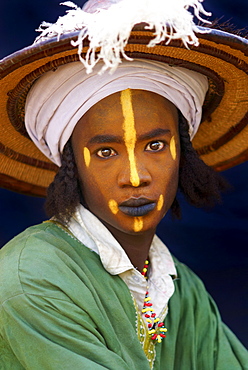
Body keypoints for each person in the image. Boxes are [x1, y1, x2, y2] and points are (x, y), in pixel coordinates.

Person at [0, 0, 247, 368]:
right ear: (71, 166)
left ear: (183, 154)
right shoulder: (31, 279)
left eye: (155, 145)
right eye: (104, 152)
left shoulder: (180, 289)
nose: (136, 175)